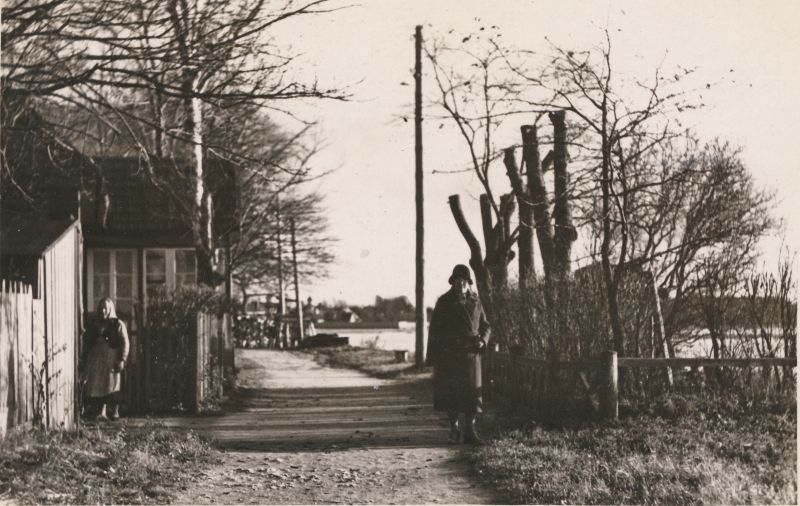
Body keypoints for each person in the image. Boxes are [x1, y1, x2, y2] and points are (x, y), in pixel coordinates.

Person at [426, 264, 491, 444]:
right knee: (451, 396)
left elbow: (486, 325)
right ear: (453, 282)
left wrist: (483, 340)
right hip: (450, 356)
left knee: (472, 396)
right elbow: (435, 330)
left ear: (468, 283)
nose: (460, 283)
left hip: (471, 355)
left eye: (464, 280)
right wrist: (434, 356)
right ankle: (454, 429)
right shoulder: (444, 302)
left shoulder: (476, 301)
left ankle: (470, 430)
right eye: (457, 280)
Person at [79, 297, 130, 421]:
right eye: (101, 308)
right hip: (96, 360)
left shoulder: (118, 324)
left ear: (110, 310)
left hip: (111, 359)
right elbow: (86, 341)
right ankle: (100, 412)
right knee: (98, 386)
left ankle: (114, 411)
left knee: (112, 385)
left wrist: (122, 359)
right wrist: (84, 358)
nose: (103, 311)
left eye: (105, 308)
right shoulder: (94, 324)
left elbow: (125, 343)